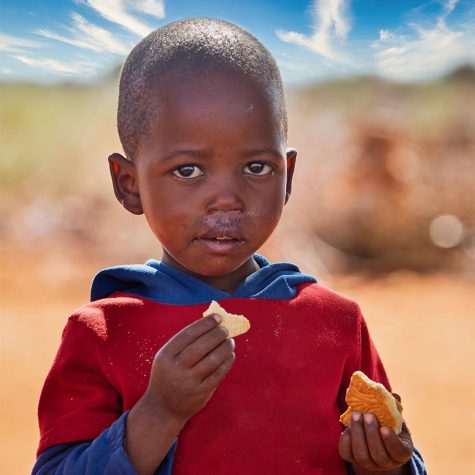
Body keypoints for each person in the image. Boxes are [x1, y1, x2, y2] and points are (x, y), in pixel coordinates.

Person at [32, 18, 427, 475]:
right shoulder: (104, 332)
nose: (227, 198)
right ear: (129, 184)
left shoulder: (335, 322)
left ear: (288, 176)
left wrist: (386, 463)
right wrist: (158, 413)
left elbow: (399, 457)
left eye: (257, 167)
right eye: (188, 170)